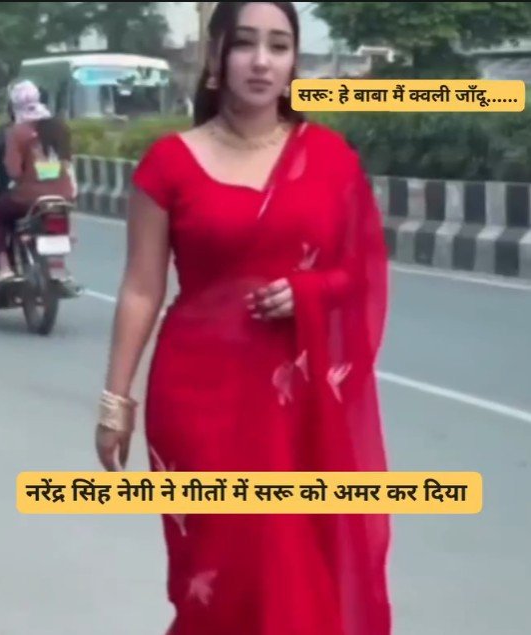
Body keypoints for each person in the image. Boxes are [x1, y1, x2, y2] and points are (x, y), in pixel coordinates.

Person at [96, 3, 392, 634]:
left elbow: (358, 271)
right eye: (245, 44)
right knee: (218, 579)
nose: (261, 62)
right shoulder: (169, 164)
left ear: (294, 62)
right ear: (216, 56)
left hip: (296, 404)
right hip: (196, 401)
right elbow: (142, 288)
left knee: (292, 572)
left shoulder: (330, 160)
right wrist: (116, 401)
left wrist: (309, 291)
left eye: (278, 46)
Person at [0, 80, 76, 291]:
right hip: (63, 195)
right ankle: (58, 268)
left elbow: (14, 172)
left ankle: (4, 268)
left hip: (29, 198)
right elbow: (68, 161)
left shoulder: (17, 132)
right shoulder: (60, 128)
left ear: (12, 106)